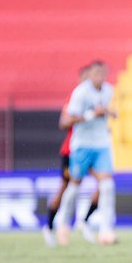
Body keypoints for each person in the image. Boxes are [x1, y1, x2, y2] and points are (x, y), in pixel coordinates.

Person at [54, 60, 118, 246]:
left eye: (103, 73)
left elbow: (107, 111)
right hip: (82, 144)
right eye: (96, 73)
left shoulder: (109, 90)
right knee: (74, 185)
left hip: (102, 143)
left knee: (107, 185)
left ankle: (106, 231)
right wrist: (92, 114)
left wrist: (109, 113)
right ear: (90, 74)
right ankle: (63, 224)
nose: (100, 77)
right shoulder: (80, 92)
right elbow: (67, 120)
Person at [42, 65, 101, 247]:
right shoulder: (74, 98)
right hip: (72, 151)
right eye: (86, 79)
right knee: (66, 187)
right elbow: (64, 122)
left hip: (93, 148)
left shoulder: (97, 98)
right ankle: (50, 226)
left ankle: (84, 221)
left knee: (104, 183)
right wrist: (87, 116)